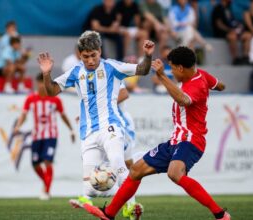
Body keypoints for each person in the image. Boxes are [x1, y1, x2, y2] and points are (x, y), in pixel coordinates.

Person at [83, 46, 230, 220]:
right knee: (136, 170)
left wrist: (161, 76)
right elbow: (220, 86)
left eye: (173, 68)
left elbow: (183, 99)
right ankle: (109, 214)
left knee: (175, 174)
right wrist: (212, 85)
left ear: (181, 68)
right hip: (176, 141)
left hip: (191, 140)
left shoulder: (196, 83)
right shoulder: (202, 76)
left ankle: (220, 214)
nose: (172, 72)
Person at [38, 30, 155, 219]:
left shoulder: (112, 67)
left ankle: (131, 208)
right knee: (91, 187)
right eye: (86, 57)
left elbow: (142, 69)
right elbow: (51, 91)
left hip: (111, 127)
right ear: (80, 55)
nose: (90, 60)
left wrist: (148, 56)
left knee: (118, 163)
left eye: (94, 55)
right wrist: (46, 73)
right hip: (88, 133)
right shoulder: (76, 72)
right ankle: (100, 201)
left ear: (100, 51)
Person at [69, 83, 139, 219]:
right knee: (95, 161)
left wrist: (101, 109)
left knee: (122, 164)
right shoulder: (89, 79)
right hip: (102, 127)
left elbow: (124, 93)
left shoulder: (110, 72)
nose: (90, 60)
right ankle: (88, 196)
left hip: (119, 125)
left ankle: (129, 205)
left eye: (92, 59)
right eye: (86, 59)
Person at [13, 73, 75, 200]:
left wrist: (71, 130)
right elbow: (24, 115)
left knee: (47, 161)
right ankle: (46, 183)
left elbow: (63, 116)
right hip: (36, 136)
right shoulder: (30, 99)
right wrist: (18, 126)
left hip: (51, 136)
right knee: (35, 164)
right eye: (41, 83)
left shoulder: (55, 99)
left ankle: (46, 191)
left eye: (45, 83)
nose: (43, 85)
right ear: (37, 83)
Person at [212, 0, 252, 65]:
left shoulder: (228, 8)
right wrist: (230, 29)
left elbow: (232, 21)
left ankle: (245, 58)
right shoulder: (218, 8)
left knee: (248, 35)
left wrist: (238, 27)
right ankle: (235, 59)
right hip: (221, 32)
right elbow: (219, 24)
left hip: (232, 30)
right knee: (232, 36)